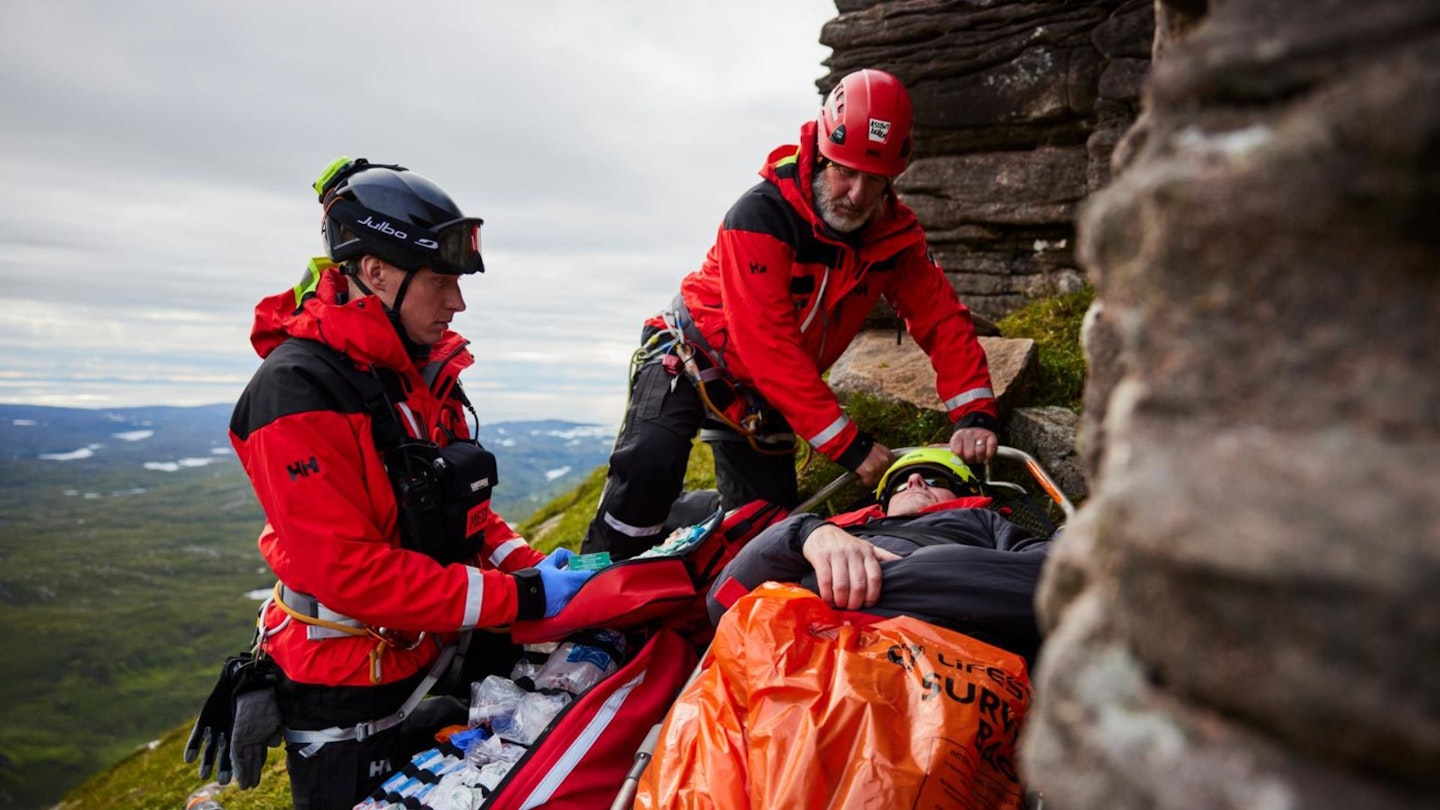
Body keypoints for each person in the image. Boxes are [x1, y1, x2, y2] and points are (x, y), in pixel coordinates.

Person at [221, 157, 593, 809]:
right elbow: (351, 574)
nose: (458, 301)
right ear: (376, 272)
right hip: (342, 689)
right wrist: (524, 598)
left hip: (425, 652)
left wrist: (530, 567)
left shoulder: (417, 374)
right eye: (441, 281)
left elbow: (462, 513)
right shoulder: (295, 392)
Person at [584, 68, 999, 561]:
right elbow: (768, 345)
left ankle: (689, 525)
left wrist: (974, 414)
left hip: (765, 394)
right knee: (645, 479)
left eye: (876, 180)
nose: (859, 196)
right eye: (846, 171)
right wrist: (850, 445)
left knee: (766, 524)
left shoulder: (894, 235)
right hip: (690, 355)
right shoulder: (760, 216)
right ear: (821, 151)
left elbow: (941, 319)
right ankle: (585, 603)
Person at [706, 448, 1051, 663]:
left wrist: (820, 588)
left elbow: (1058, 584)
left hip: (937, 673)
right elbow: (724, 603)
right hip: (790, 674)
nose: (915, 479)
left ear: (963, 491)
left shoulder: (984, 523)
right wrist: (803, 533)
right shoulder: (832, 530)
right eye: (900, 483)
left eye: (933, 478)